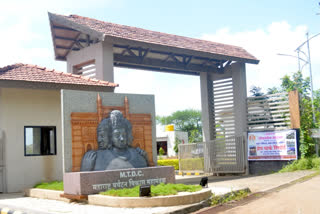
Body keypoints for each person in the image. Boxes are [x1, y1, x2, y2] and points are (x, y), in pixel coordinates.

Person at [80, 110, 148, 171]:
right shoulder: (95, 157)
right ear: (110, 137)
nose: (122, 139)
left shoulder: (138, 155)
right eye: (117, 135)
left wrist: (146, 159)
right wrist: (86, 169)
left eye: (124, 135)